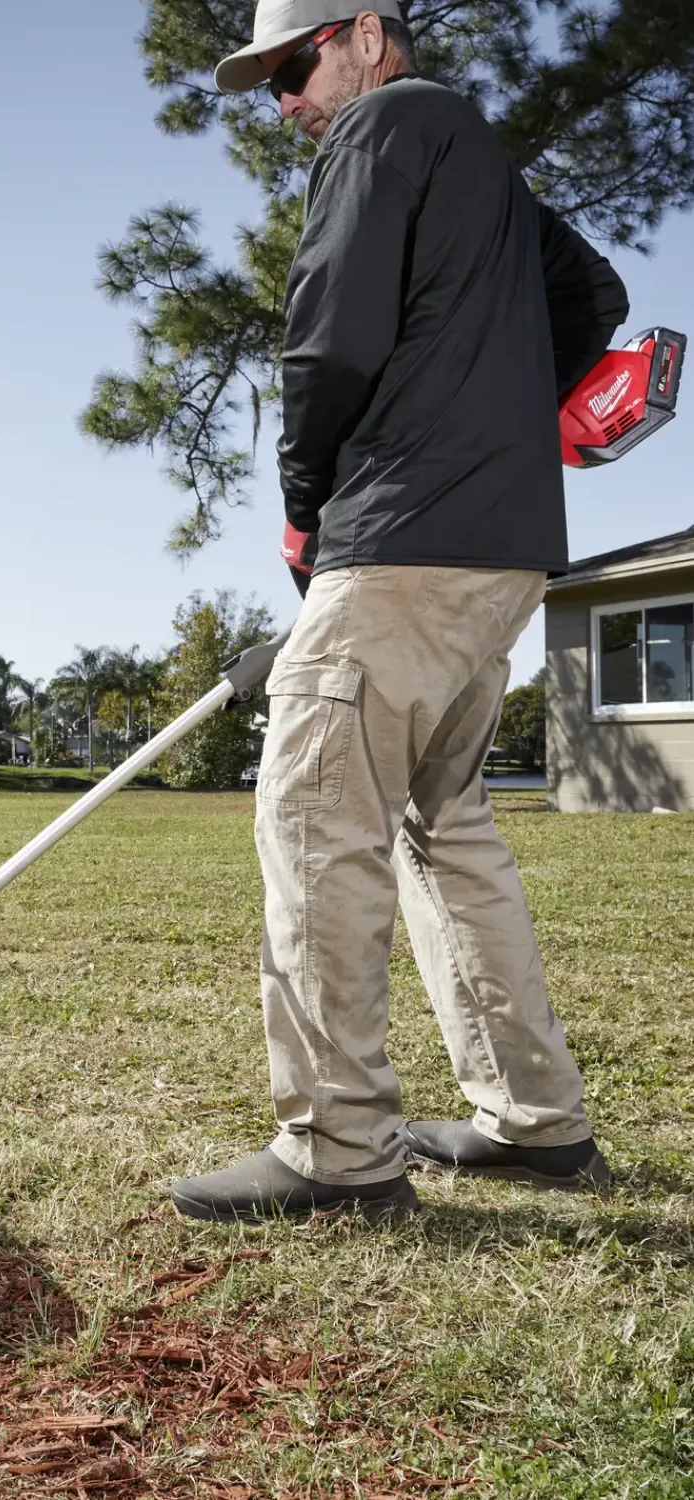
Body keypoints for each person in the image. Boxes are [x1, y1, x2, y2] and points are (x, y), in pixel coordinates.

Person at [171, 1, 629, 1222]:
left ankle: (337, 1153)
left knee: (315, 808)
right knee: (445, 820)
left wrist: (305, 506)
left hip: (404, 539)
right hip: (505, 550)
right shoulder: (478, 157)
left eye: (292, 66)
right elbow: (594, 294)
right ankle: (535, 1123)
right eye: (269, 84)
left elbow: (327, 341)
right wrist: (498, 413)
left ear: (365, 34)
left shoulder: (377, 133)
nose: (283, 102)